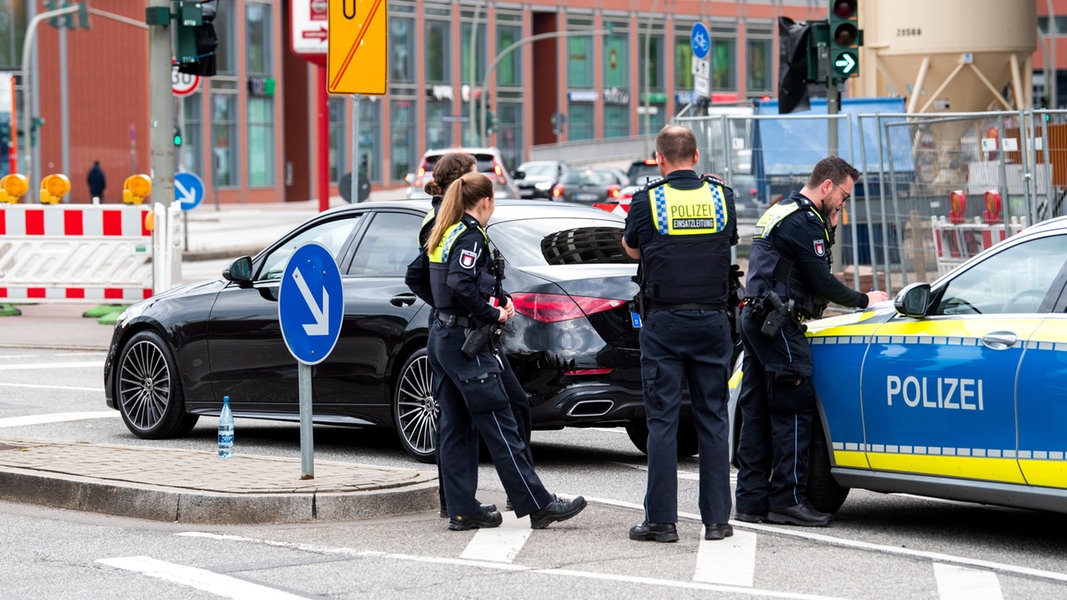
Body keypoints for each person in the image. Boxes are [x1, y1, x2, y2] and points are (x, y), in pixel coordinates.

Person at [425, 171, 586, 531]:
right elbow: (460, 282)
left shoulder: (443, 230)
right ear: (485, 202)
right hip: (468, 344)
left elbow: (421, 277)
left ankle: (462, 509)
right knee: (501, 423)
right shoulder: (468, 236)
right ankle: (539, 504)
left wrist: (467, 306)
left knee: (454, 427)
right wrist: (492, 312)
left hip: (443, 337)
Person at [734, 156, 888, 527]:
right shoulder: (804, 223)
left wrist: (830, 223)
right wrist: (866, 300)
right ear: (827, 186)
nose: (844, 204)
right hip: (780, 323)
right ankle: (788, 500)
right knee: (794, 408)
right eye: (844, 197)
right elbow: (822, 282)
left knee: (756, 410)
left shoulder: (783, 210)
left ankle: (751, 501)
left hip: (757, 319)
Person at [622, 125, 738, 543]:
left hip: (664, 324)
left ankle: (662, 522)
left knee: (663, 421)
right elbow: (727, 243)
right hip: (712, 322)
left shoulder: (646, 200)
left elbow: (633, 249)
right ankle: (717, 521)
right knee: (713, 420)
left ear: (659, 158)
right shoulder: (722, 197)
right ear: (697, 155)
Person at [404, 152, 534, 518]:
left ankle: (463, 505)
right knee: (495, 416)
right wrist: (478, 309)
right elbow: (451, 279)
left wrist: (454, 306)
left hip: (454, 332)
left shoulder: (447, 222)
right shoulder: (453, 226)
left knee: (466, 419)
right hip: (465, 335)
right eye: (475, 176)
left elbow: (425, 276)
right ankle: (526, 498)